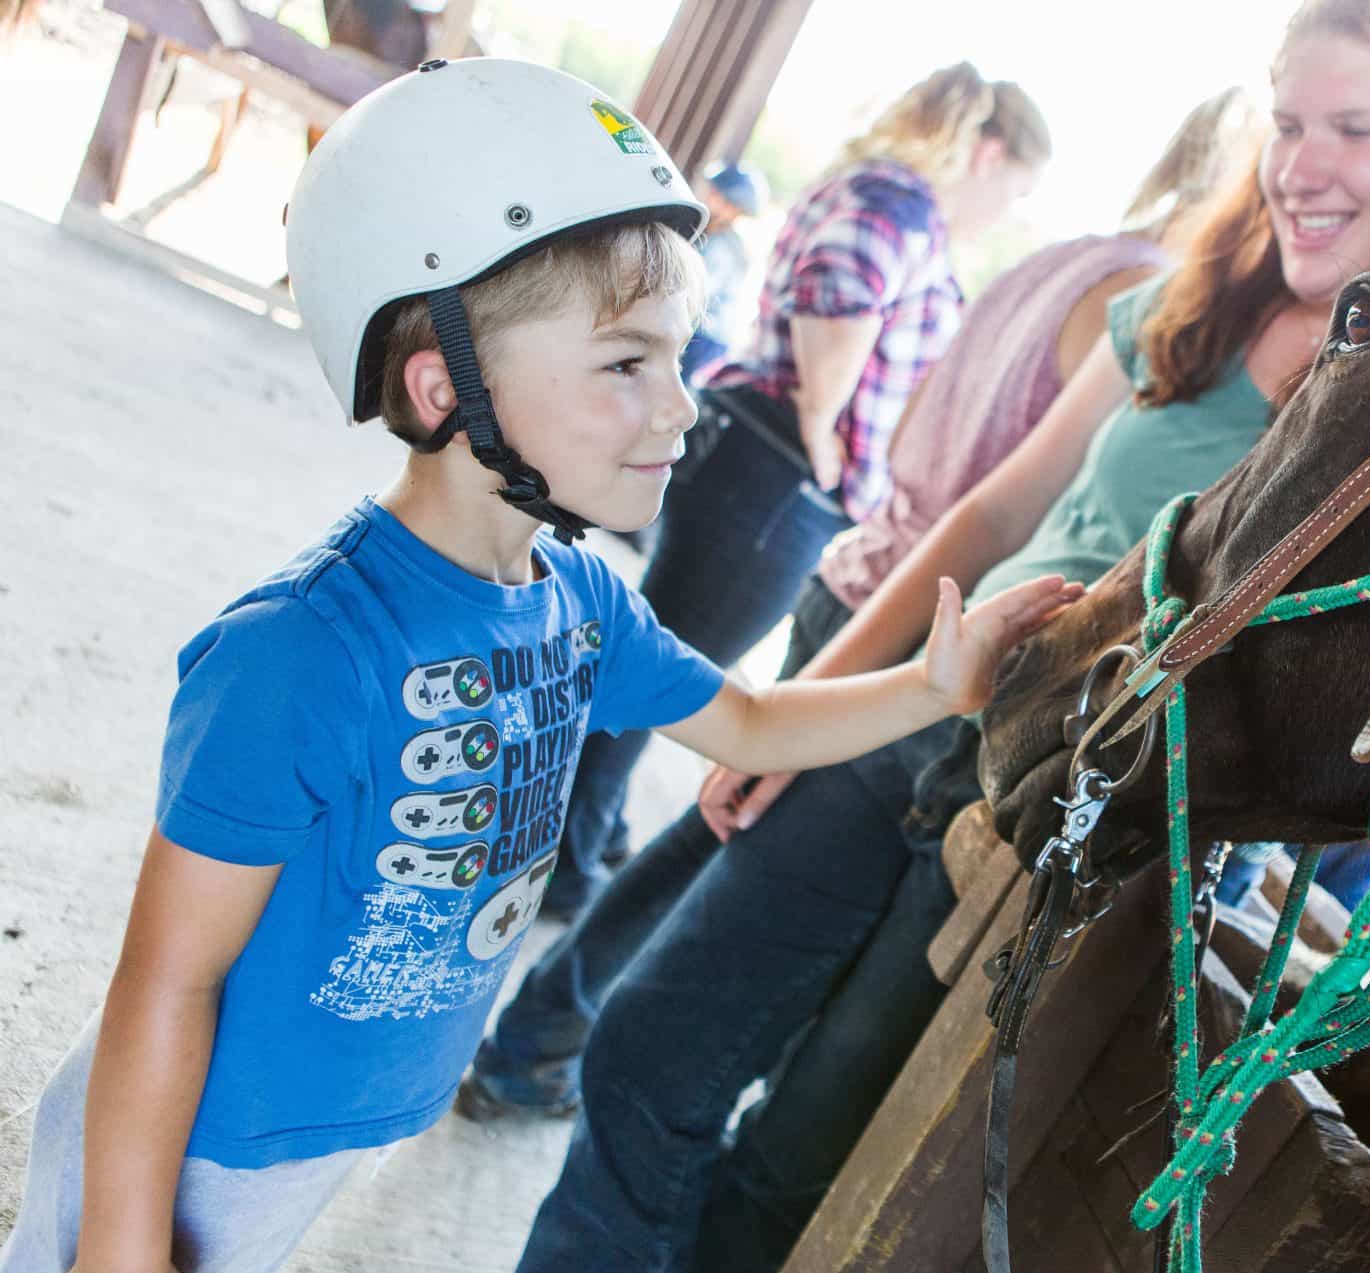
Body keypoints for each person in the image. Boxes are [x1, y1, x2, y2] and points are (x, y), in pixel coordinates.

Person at [0, 59, 1078, 1273]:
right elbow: (165, 977)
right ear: (444, 388)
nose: (681, 408)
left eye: (678, 357)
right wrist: (122, 1243)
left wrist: (935, 684)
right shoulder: (300, 655)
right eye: (626, 364)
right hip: (189, 1141)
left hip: (317, 1126)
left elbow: (749, 720)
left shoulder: (579, 601)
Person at [505, 4, 1370, 1273]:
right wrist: (808, 706)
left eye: (1354, 129)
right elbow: (995, 513)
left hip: (1065, 826)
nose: (1300, 168)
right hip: (919, 714)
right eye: (1286, 123)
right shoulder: (1189, 305)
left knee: (799, 1160)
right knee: (648, 1046)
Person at [460, 79, 1262, 1121]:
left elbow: (928, 408)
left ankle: (537, 1036)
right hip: (922, 615)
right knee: (736, 863)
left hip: (873, 572)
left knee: (720, 832)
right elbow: (1020, 502)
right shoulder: (1153, 310)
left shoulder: (1060, 262)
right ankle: (543, 1044)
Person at [544, 62, 1052, 917]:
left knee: (666, 652)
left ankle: (582, 830)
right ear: (989, 154)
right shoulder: (898, 204)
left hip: (760, 462)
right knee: (673, 674)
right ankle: (564, 854)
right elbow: (840, 294)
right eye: (1016, 189)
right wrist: (823, 438)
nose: (1004, 210)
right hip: (780, 469)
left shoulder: (884, 193)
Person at [680, 161, 765, 382]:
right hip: (697, 331)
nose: (708, 195)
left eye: (715, 193)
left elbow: (696, 291)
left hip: (705, 337)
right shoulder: (708, 233)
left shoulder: (724, 247)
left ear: (731, 206)